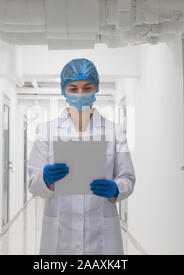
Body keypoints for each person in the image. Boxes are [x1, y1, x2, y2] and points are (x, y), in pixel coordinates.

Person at [27, 58, 136, 255]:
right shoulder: (46, 131)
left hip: (102, 233)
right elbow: (33, 183)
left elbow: (127, 179)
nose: (80, 94)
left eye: (87, 87)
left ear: (96, 88)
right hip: (60, 232)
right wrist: (45, 180)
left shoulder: (114, 131)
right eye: (73, 88)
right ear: (63, 90)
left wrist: (115, 189)